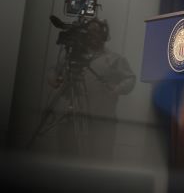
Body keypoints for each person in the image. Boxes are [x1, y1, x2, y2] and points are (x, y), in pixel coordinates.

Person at [45, 17, 136, 161]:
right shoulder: (72, 57)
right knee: (67, 161)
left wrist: (118, 88)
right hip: (71, 120)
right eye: (89, 32)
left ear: (104, 34)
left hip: (102, 123)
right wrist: (53, 77)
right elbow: (54, 70)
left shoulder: (114, 59)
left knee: (98, 163)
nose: (92, 35)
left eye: (96, 32)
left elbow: (130, 79)